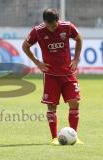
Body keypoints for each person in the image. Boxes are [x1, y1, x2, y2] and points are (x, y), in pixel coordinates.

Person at [22, 8, 83, 145]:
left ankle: (75, 136)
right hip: (50, 75)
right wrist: (37, 62)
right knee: (51, 106)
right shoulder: (38, 31)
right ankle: (54, 138)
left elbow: (78, 39)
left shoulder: (67, 27)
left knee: (75, 102)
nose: (51, 29)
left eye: (54, 26)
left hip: (68, 73)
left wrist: (76, 59)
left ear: (58, 20)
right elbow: (25, 46)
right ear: (44, 22)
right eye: (49, 26)